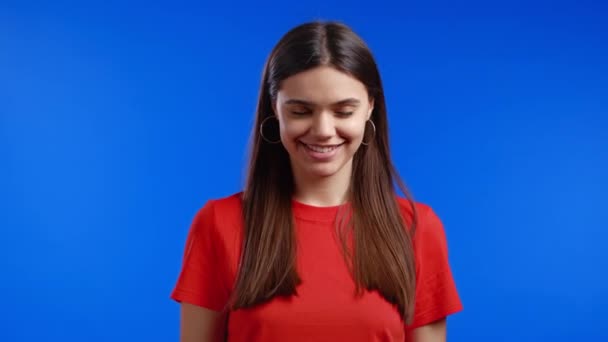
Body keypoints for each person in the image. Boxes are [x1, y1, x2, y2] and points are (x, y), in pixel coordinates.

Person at [170, 20, 463, 342]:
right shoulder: (218, 224)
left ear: (370, 108)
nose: (323, 129)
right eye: (300, 111)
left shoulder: (417, 228)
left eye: (343, 111)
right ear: (275, 109)